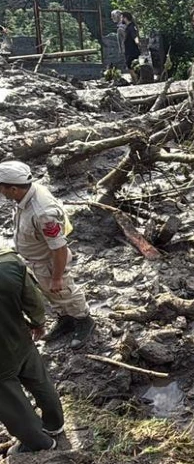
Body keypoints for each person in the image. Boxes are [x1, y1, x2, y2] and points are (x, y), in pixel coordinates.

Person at [0, 161, 94, 349]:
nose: (1, 192)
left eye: (2, 188)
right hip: (37, 259)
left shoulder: (43, 213)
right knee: (50, 292)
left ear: (13, 189)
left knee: (65, 291)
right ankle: (65, 319)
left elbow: (59, 248)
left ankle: (84, 320)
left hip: (49, 261)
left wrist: (57, 277)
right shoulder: (26, 194)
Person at [0, 248, 64, 454]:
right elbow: (32, 298)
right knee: (39, 380)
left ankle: (38, 443)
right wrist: (37, 322)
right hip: (20, 336)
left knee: (11, 404)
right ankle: (55, 424)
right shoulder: (9, 262)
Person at [120, 12, 141, 83]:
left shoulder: (131, 27)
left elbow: (135, 36)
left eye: (122, 17)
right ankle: (136, 80)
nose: (121, 19)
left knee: (131, 66)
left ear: (125, 18)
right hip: (129, 51)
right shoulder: (128, 27)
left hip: (132, 51)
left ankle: (136, 81)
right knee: (131, 66)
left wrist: (137, 42)